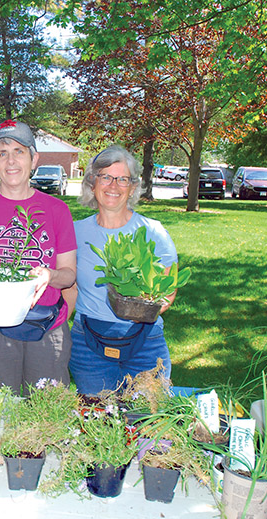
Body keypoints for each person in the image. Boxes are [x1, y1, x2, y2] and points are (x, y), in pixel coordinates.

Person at [0, 120, 77, 395]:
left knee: (47, 414)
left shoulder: (57, 210)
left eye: (19, 151)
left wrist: (50, 276)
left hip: (46, 326)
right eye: (2, 153)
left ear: (34, 159)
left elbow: (69, 273)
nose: (11, 161)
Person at [64, 145, 179, 394]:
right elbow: (70, 287)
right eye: (105, 177)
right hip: (88, 344)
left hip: (145, 341)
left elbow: (168, 292)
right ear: (92, 183)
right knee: (97, 421)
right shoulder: (75, 232)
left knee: (149, 419)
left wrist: (142, 310)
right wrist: (58, 329)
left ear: (133, 187)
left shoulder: (154, 232)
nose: (113, 186)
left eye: (122, 179)